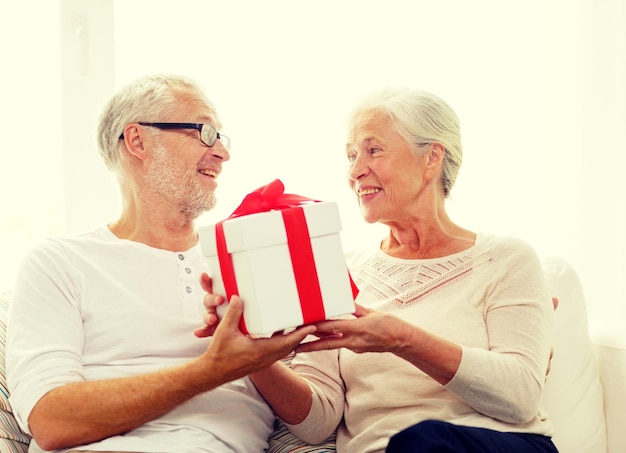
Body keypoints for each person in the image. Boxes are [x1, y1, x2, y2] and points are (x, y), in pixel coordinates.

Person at [199, 88, 559, 452]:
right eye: (351, 156)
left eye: (373, 150)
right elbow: (317, 421)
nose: (355, 171)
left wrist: (403, 340)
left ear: (431, 158)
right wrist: (251, 357)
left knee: (423, 442)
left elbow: (521, 397)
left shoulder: (505, 259)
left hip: (499, 445)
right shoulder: (338, 271)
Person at [6, 74, 315, 453]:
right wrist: (210, 371)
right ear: (137, 140)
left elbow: (312, 423)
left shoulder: (251, 258)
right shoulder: (59, 262)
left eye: (221, 137)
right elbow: (51, 422)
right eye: (204, 132)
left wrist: (256, 359)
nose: (222, 152)